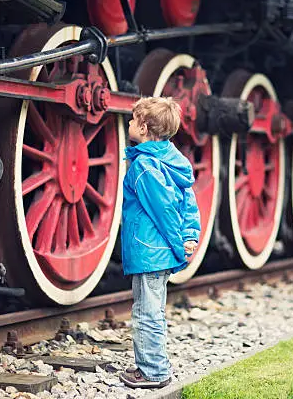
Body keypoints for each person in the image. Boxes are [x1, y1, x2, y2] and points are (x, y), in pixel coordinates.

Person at [119, 96, 201, 389]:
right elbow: (187, 202)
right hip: (157, 252)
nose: (128, 123)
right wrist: (191, 234)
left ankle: (152, 372)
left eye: (131, 119)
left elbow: (164, 210)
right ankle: (154, 366)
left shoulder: (144, 167)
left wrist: (181, 246)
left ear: (143, 127)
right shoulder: (171, 160)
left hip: (149, 250)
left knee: (146, 313)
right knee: (151, 310)